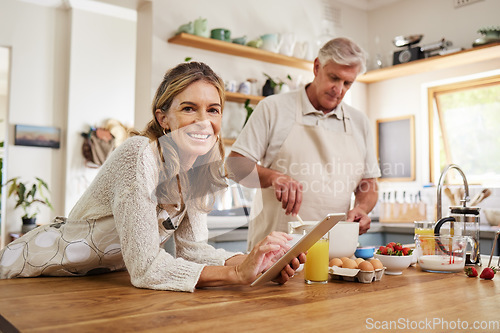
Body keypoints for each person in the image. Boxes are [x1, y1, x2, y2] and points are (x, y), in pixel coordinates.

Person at [0, 62, 305, 292]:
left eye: (213, 110)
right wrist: (236, 274)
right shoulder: (139, 155)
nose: (203, 121)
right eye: (189, 108)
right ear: (164, 118)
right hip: (30, 271)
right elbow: (146, 268)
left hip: (85, 282)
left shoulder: (198, 171)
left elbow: (194, 250)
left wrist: (257, 262)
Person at [227, 38, 381, 250]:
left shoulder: (359, 122)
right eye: (333, 78)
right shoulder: (273, 108)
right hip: (276, 254)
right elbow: (235, 167)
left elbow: (369, 184)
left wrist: (362, 208)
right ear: (317, 67)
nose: (339, 90)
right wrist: (274, 177)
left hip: (335, 253)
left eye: (347, 83)